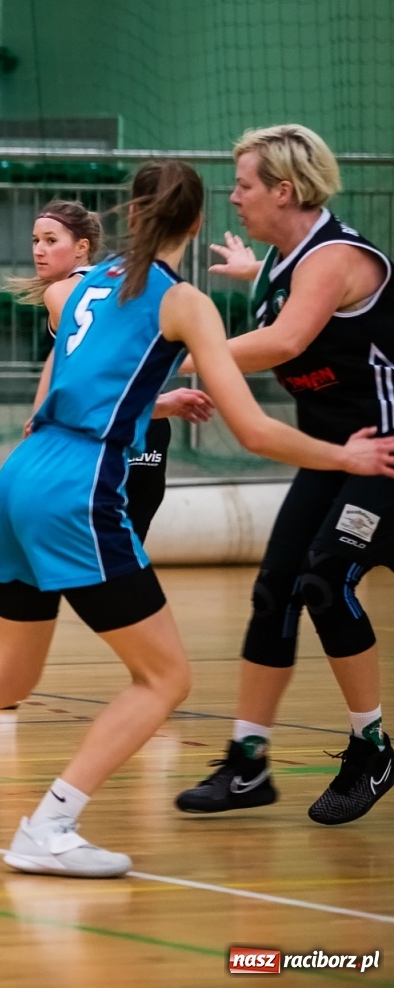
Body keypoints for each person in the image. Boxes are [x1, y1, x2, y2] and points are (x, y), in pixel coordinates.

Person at [0, 159, 394, 878]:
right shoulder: (184, 302)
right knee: (165, 680)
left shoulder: (77, 287)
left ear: (130, 215)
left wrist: (151, 402)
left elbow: (86, 381)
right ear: (195, 225)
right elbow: (256, 432)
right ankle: (50, 823)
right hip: (79, 488)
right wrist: (343, 457)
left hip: (22, 475)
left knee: (5, 675)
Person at [174, 125, 394, 824]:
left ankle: (373, 748)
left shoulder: (331, 259)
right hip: (334, 452)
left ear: (284, 189)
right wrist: (250, 273)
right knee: (276, 592)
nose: (233, 197)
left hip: (385, 451)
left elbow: (285, 341)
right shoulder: (284, 261)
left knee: (325, 583)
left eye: (243, 185)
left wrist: (182, 355)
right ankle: (248, 764)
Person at [16, 200, 213, 539]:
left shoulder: (63, 292)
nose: (39, 250)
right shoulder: (115, 285)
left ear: (82, 247)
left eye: (50, 240)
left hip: (106, 428)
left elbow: (89, 369)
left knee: (92, 553)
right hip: (148, 424)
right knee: (124, 547)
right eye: (35, 241)